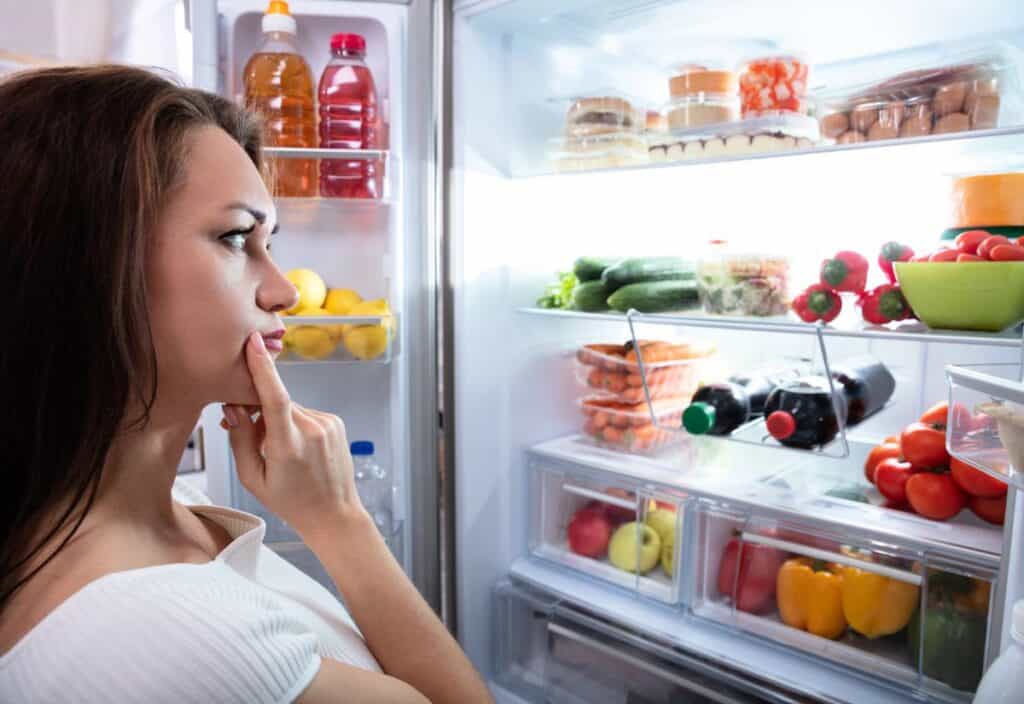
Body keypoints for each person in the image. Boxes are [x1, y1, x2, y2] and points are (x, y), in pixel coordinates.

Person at [0, 64, 493, 704]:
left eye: (270, 242)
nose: (284, 290)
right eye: (236, 237)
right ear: (91, 266)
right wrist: (340, 520)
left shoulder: (155, 516)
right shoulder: (169, 640)